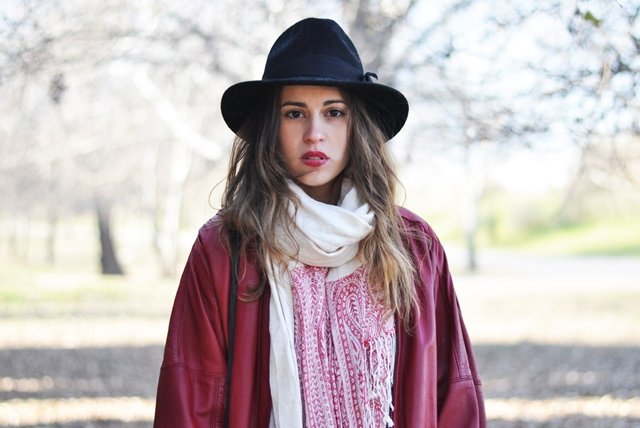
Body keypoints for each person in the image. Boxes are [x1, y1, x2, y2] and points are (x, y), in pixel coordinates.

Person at [153, 17, 486, 428]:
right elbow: (189, 399)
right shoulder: (224, 249)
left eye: (334, 112)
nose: (314, 133)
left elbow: (454, 396)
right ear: (270, 127)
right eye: (294, 113)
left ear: (356, 125)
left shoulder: (414, 246)